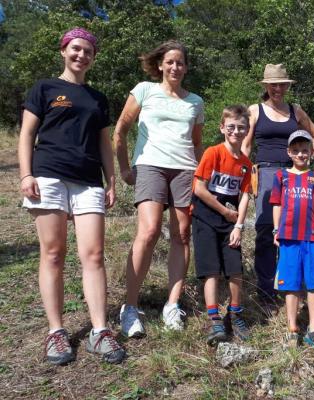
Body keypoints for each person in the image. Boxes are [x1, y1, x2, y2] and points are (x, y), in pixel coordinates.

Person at [18, 27, 125, 365]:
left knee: (93, 254)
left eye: (88, 51)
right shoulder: (45, 88)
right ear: (64, 51)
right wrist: (25, 174)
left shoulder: (97, 98)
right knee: (53, 253)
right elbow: (26, 134)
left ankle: (99, 330)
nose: (81, 55)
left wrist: (111, 182)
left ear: (93, 58)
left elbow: (104, 143)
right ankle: (56, 332)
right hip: (48, 175)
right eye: (76, 49)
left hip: (88, 181)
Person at [113, 41, 204, 336]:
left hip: (185, 169)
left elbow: (196, 143)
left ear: (186, 67)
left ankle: (172, 304)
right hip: (150, 164)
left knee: (182, 235)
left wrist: (203, 176)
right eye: (170, 62)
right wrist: (125, 168)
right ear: (160, 65)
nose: (175, 67)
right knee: (149, 231)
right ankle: (130, 307)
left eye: (180, 63)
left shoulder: (196, 102)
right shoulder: (144, 90)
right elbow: (121, 129)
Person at [241, 64, 314, 305]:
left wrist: (307, 159)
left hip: (293, 175)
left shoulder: (295, 110)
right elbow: (245, 146)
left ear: (287, 86)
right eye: (273, 84)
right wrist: (245, 175)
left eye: (282, 84)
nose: (278, 88)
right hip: (265, 173)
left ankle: (291, 285)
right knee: (266, 231)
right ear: (266, 86)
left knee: (293, 232)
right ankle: (266, 290)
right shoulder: (255, 110)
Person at [191, 105, 252, 345]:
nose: (236, 131)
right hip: (206, 217)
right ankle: (214, 318)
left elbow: (245, 195)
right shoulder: (213, 153)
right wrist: (224, 211)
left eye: (241, 128)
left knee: (235, 268)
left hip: (230, 223)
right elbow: (199, 188)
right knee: (211, 270)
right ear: (222, 128)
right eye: (231, 127)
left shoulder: (246, 163)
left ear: (247, 130)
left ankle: (235, 313)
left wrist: (238, 225)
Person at [270, 130, 314, 354]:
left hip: (313, 235)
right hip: (288, 236)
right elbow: (276, 204)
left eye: (304, 150)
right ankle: (292, 328)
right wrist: (276, 229)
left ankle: (313, 329)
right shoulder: (281, 176)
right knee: (291, 284)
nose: (300, 154)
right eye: (295, 150)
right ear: (289, 152)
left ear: (311, 152)